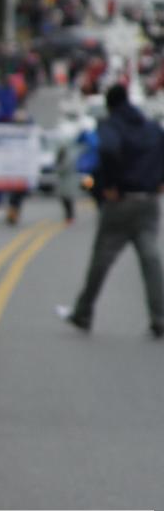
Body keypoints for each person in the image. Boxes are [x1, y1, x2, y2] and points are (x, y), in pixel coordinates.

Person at [58, 84, 164, 337]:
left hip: (121, 202)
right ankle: (159, 317)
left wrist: (109, 184)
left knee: (102, 259)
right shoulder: (150, 127)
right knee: (151, 260)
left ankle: (83, 312)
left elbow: (107, 149)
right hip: (148, 202)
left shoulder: (111, 126)